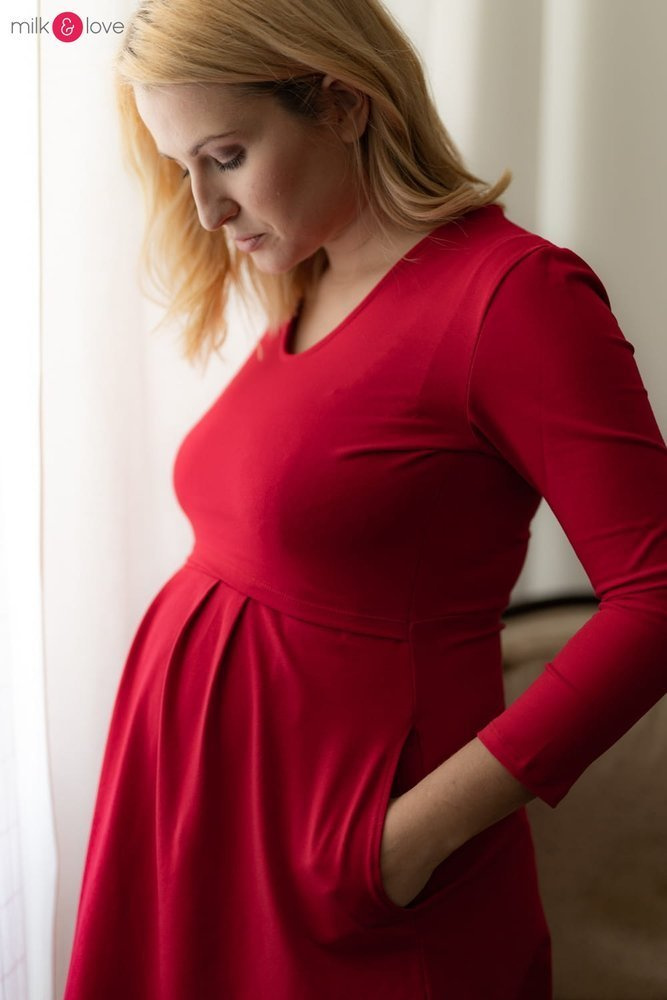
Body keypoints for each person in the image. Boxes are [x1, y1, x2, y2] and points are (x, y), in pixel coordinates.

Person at [62, 1, 667, 998]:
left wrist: (403, 842)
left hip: (351, 864)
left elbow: (655, 595)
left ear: (342, 104)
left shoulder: (514, 296)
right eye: (182, 169)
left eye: (225, 156)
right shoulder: (314, 277)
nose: (206, 210)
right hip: (206, 826)